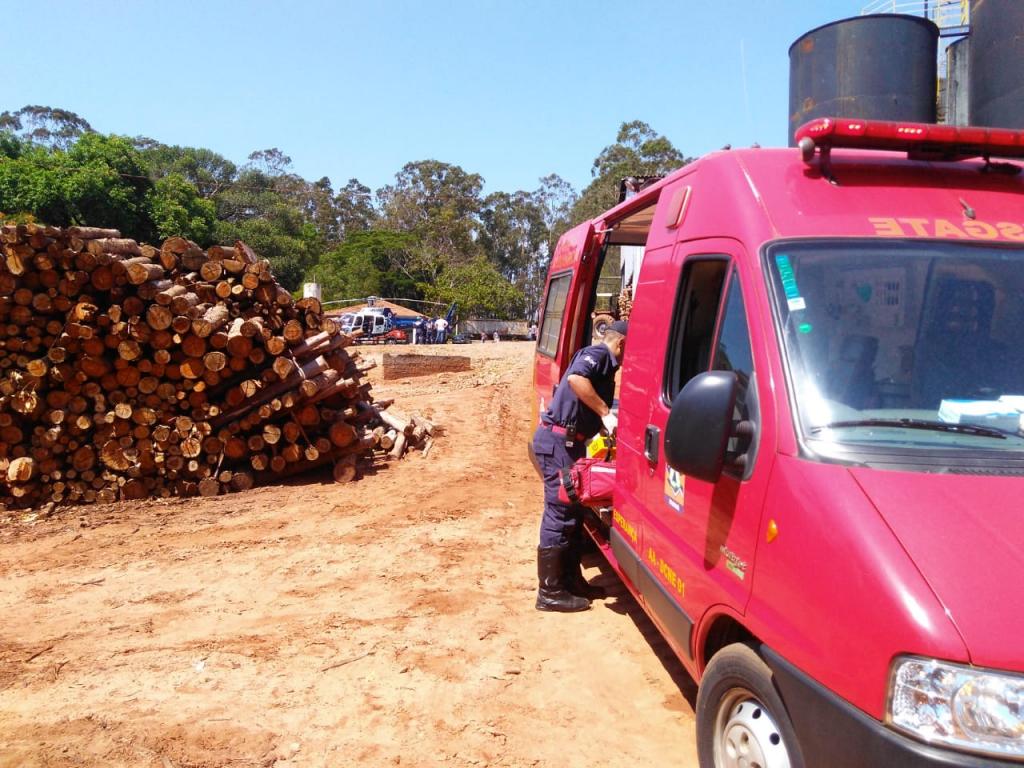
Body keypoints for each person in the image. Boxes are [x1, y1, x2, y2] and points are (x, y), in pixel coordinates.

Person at [532, 320, 627, 612]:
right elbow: (576, 380)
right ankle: (550, 592)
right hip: (558, 442)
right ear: (621, 344)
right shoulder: (598, 355)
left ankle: (572, 580)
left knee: (573, 513)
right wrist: (605, 413)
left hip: (570, 443)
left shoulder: (603, 361)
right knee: (560, 513)